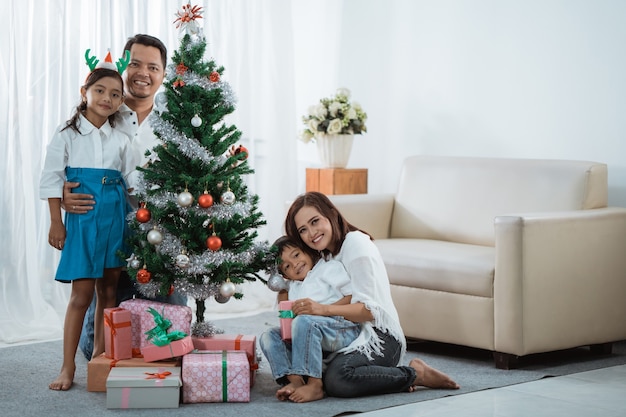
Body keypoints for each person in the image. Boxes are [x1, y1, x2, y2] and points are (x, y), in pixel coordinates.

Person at [61, 34, 187, 360]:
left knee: (167, 346)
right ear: (122, 66)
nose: (143, 72)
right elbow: (66, 159)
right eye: (135, 63)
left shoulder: (177, 121)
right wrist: (64, 192)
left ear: (163, 74)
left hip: (161, 241)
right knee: (95, 351)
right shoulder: (99, 111)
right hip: (108, 233)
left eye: (153, 67)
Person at [283, 191, 460, 399]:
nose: (311, 233)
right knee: (287, 346)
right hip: (347, 332)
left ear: (331, 213)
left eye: (315, 222)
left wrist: (322, 310)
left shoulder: (356, 244)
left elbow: (369, 311)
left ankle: (414, 374)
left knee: (338, 379)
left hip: (380, 337)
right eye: (303, 230)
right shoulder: (325, 255)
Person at [40, 60, 134, 390]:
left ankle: (100, 358)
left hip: (114, 217)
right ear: (85, 92)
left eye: (115, 94)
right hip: (81, 219)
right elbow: (52, 178)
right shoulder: (67, 134)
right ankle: (68, 367)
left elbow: (132, 180)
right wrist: (56, 222)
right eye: (99, 91)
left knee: (108, 290)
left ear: (121, 102)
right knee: (80, 295)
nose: (107, 98)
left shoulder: (121, 138)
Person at [260, 236, 361, 403]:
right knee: (269, 335)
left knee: (305, 321)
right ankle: (296, 381)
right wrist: (283, 293)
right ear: (285, 275)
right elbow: (286, 318)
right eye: (286, 266)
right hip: (308, 333)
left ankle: (315, 384)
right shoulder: (293, 286)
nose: (294, 264)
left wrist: (323, 311)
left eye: (296, 255)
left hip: (342, 327)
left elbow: (353, 297)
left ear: (306, 251)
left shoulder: (328, 268)